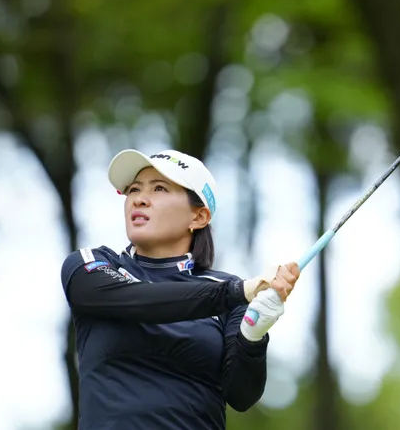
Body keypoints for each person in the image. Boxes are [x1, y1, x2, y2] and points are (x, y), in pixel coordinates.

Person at [60, 148, 301, 430]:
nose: (139, 199)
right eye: (134, 189)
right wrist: (237, 292)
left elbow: (241, 395)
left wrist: (253, 336)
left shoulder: (229, 293)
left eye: (159, 188)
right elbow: (140, 301)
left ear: (198, 217)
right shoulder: (93, 264)